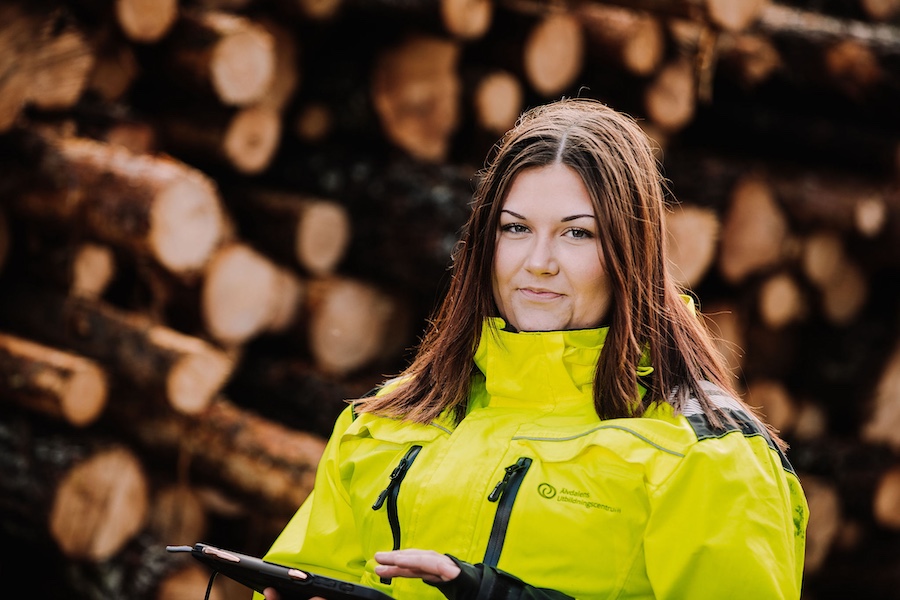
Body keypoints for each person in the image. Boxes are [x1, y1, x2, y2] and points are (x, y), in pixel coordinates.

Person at [257, 97, 808, 600]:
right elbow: (307, 571)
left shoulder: (708, 454)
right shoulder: (389, 420)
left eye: (577, 234)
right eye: (516, 229)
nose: (538, 262)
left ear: (629, 252)